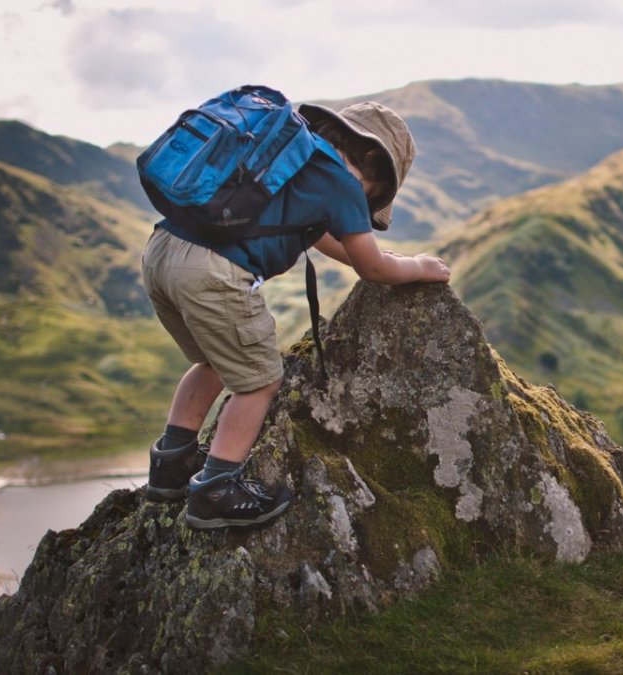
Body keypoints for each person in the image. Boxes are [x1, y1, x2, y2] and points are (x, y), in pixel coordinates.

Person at [140, 100, 450, 529]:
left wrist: (381, 254)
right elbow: (373, 268)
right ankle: (216, 489)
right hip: (213, 273)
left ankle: (171, 464)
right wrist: (418, 266)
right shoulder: (341, 183)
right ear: (377, 169)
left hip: (161, 253)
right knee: (260, 382)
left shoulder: (293, 157)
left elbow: (324, 238)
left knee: (211, 360)